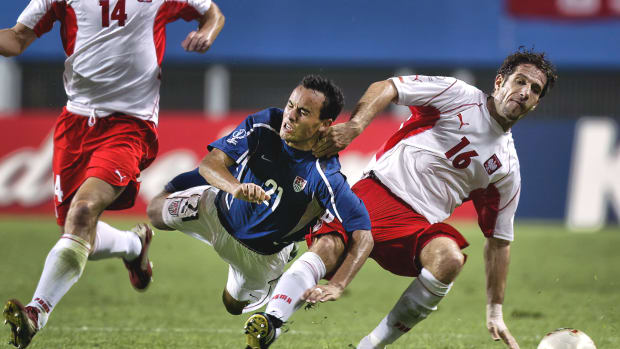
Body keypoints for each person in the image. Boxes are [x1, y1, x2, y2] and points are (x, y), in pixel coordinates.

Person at [254, 48, 558, 349]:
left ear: (535, 104)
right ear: (499, 82)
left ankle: (372, 346)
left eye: (534, 90)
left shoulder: (507, 168)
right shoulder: (459, 95)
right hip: (376, 191)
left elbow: (499, 241)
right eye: (520, 81)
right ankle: (271, 324)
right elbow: (387, 88)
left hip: (416, 226)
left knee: (449, 259)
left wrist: (495, 311)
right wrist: (356, 126)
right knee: (329, 248)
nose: (524, 92)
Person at [0, 1, 224, 348]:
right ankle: (134, 246)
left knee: (84, 211)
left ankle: (35, 313)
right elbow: (16, 40)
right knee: (76, 236)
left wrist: (206, 33)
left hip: (129, 126)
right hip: (74, 124)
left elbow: (212, 12)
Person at [145, 75, 373, 348]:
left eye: (303, 112)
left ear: (324, 125)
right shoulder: (265, 124)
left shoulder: (325, 175)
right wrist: (236, 188)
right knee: (155, 212)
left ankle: (281, 262)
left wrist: (339, 284)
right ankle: (131, 247)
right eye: (290, 105)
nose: (290, 116)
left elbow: (363, 233)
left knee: (232, 305)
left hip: (259, 257)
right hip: (215, 213)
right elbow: (210, 164)